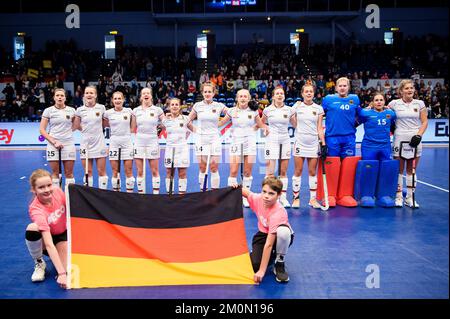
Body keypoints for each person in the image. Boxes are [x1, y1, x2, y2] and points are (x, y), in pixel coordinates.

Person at [232, 176, 294, 283]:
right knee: (254, 265)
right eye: (264, 192)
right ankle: (270, 257)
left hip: (279, 237)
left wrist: (262, 271)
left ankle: (279, 260)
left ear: (279, 195)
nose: (266, 196)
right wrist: (236, 188)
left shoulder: (278, 213)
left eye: (271, 193)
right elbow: (247, 193)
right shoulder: (258, 199)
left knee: (283, 232)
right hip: (262, 235)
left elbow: (269, 244)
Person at [219, 89, 268, 207]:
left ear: (249, 98)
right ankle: (231, 197)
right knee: (234, 171)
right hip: (236, 143)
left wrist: (265, 128)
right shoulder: (231, 111)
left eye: (245, 96)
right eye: (240, 96)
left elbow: (260, 124)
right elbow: (220, 123)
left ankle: (245, 197)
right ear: (237, 98)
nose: (243, 98)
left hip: (250, 143)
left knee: (247, 172)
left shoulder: (254, 111)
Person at [320, 77, 361, 207]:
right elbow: (319, 115)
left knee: (347, 166)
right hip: (332, 138)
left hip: (349, 138)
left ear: (348, 87)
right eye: (340, 86)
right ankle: (330, 195)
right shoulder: (328, 99)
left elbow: (361, 115)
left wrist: (353, 125)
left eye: (345, 85)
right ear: (336, 87)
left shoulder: (354, 99)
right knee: (332, 165)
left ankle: (345, 195)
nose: (342, 88)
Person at [25, 169, 68, 288]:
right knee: (32, 228)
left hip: (62, 236)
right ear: (34, 190)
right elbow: (49, 244)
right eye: (41, 187)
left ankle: (62, 254)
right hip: (46, 240)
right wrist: (61, 273)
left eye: (49, 185)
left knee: (68, 269)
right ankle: (39, 262)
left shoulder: (58, 192)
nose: (47, 190)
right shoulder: (36, 209)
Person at [388, 79, 428, 207]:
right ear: (401, 91)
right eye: (406, 88)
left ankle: (410, 198)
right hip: (399, 138)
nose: (410, 90)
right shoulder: (394, 103)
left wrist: (419, 135)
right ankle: (398, 197)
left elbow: (425, 122)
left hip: (415, 139)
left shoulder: (420, 103)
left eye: (411, 88)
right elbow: (383, 112)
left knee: (412, 170)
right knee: (399, 170)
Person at [290, 84, 326, 209]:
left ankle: (312, 199)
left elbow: (320, 127)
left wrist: (323, 143)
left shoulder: (318, 108)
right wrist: (293, 111)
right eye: (306, 91)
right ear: (302, 93)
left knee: (312, 172)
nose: (309, 93)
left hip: (313, 144)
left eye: (311, 91)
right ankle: (295, 198)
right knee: (298, 171)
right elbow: (293, 123)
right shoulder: (298, 107)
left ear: (314, 94)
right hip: (300, 142)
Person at [187, 82, 226, 191]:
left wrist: (221, 123)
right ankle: (202, 192)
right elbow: (187, 120)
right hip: (200, 139)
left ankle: (214, 193)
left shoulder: (219, 105)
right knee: (202, 168)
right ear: (202, 93)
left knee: (213, 167)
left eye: (210, 91)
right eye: (205, 92)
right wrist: (195, 130)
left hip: (214, 139)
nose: (207, 94)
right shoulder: (197, 106)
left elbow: (232, 113)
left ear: (214, 93)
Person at [261, 86, 295, 207]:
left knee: (283, 172)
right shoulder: (267, 110)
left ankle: (283, 198)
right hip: (271, 141)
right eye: (277, 93)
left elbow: (296, 124)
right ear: (273, 96)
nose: (280, 95)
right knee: (270, 172)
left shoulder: (289, 110)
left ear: (284, 96)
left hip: (285, 140)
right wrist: (265, 129)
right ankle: (267, 197)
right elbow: (261, 122)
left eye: (282, 93)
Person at [39, 88, 76, 188]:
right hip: (53, 145)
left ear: (65, 98)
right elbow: (42, 130)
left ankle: (70, 198)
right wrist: (54, 141)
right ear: (54, 97)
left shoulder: (72, 110)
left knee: (69, 174)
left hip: (68, 144)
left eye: (62, 95)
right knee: (55, 173)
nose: (60, 97)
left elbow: (77, 125)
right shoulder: (48, 111)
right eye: (57, 95)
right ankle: (56, 199)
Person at [73, 86, 108, 189]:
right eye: (87, 93)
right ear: (84, 95)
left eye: (91, 93)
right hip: (85, 143)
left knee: (102, 171)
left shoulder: (101, 108)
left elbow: (105, 124)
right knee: (88, 171)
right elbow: (75, 126)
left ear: (95, 95)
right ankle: (90, 196)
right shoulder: (79, 110)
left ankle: (103, 195)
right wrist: (84, 130)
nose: (89, 95)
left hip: (99, 142)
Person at [103, 91, 136, 192]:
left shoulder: (129, 111)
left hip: (127, 142)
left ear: (123, 99)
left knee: (129, 170)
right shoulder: (107, 113)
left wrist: (126, 135)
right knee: (115, 171)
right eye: (115, 99)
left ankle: (129, 195)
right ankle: (116, 194)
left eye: (119, 98)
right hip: (114, 142)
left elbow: (133, 127)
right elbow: (105, 126)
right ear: (112, 100)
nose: (117, 100)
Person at [133, 87, 164, 194]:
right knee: (140, 171)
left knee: (155, 171)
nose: (146, 95)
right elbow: (132, 128)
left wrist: (159, 129)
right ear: (141, 97)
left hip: (152, 141)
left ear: (151, 96)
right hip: (139, 141)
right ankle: (141, 195)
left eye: (148, 93)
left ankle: (156, 196)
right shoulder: (135, 110)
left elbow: (165, 123)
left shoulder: (157, 110)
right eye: (144, 93)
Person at [163, 98, 194, 194]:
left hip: (182, 149)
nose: (174, 106)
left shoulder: (185, 119)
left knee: (182, 173)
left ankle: (181, 196)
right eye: (172, 104)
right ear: (169, 107)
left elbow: (194, 130)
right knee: (169, 173)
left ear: (180, 106)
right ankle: (169, 194)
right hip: (169, 149)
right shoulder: (165, 120)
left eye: (176, 104)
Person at [358, 93, 396, 161]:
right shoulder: (364, 113)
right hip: (369, 146)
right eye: (376, 100)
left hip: (385, 146)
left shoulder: (391, 113)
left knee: (385, 169)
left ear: (384, 102)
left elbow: (393, 125)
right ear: (372, 102)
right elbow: (357, 122)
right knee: (369, 169)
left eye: (381, 100)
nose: (379, 102)